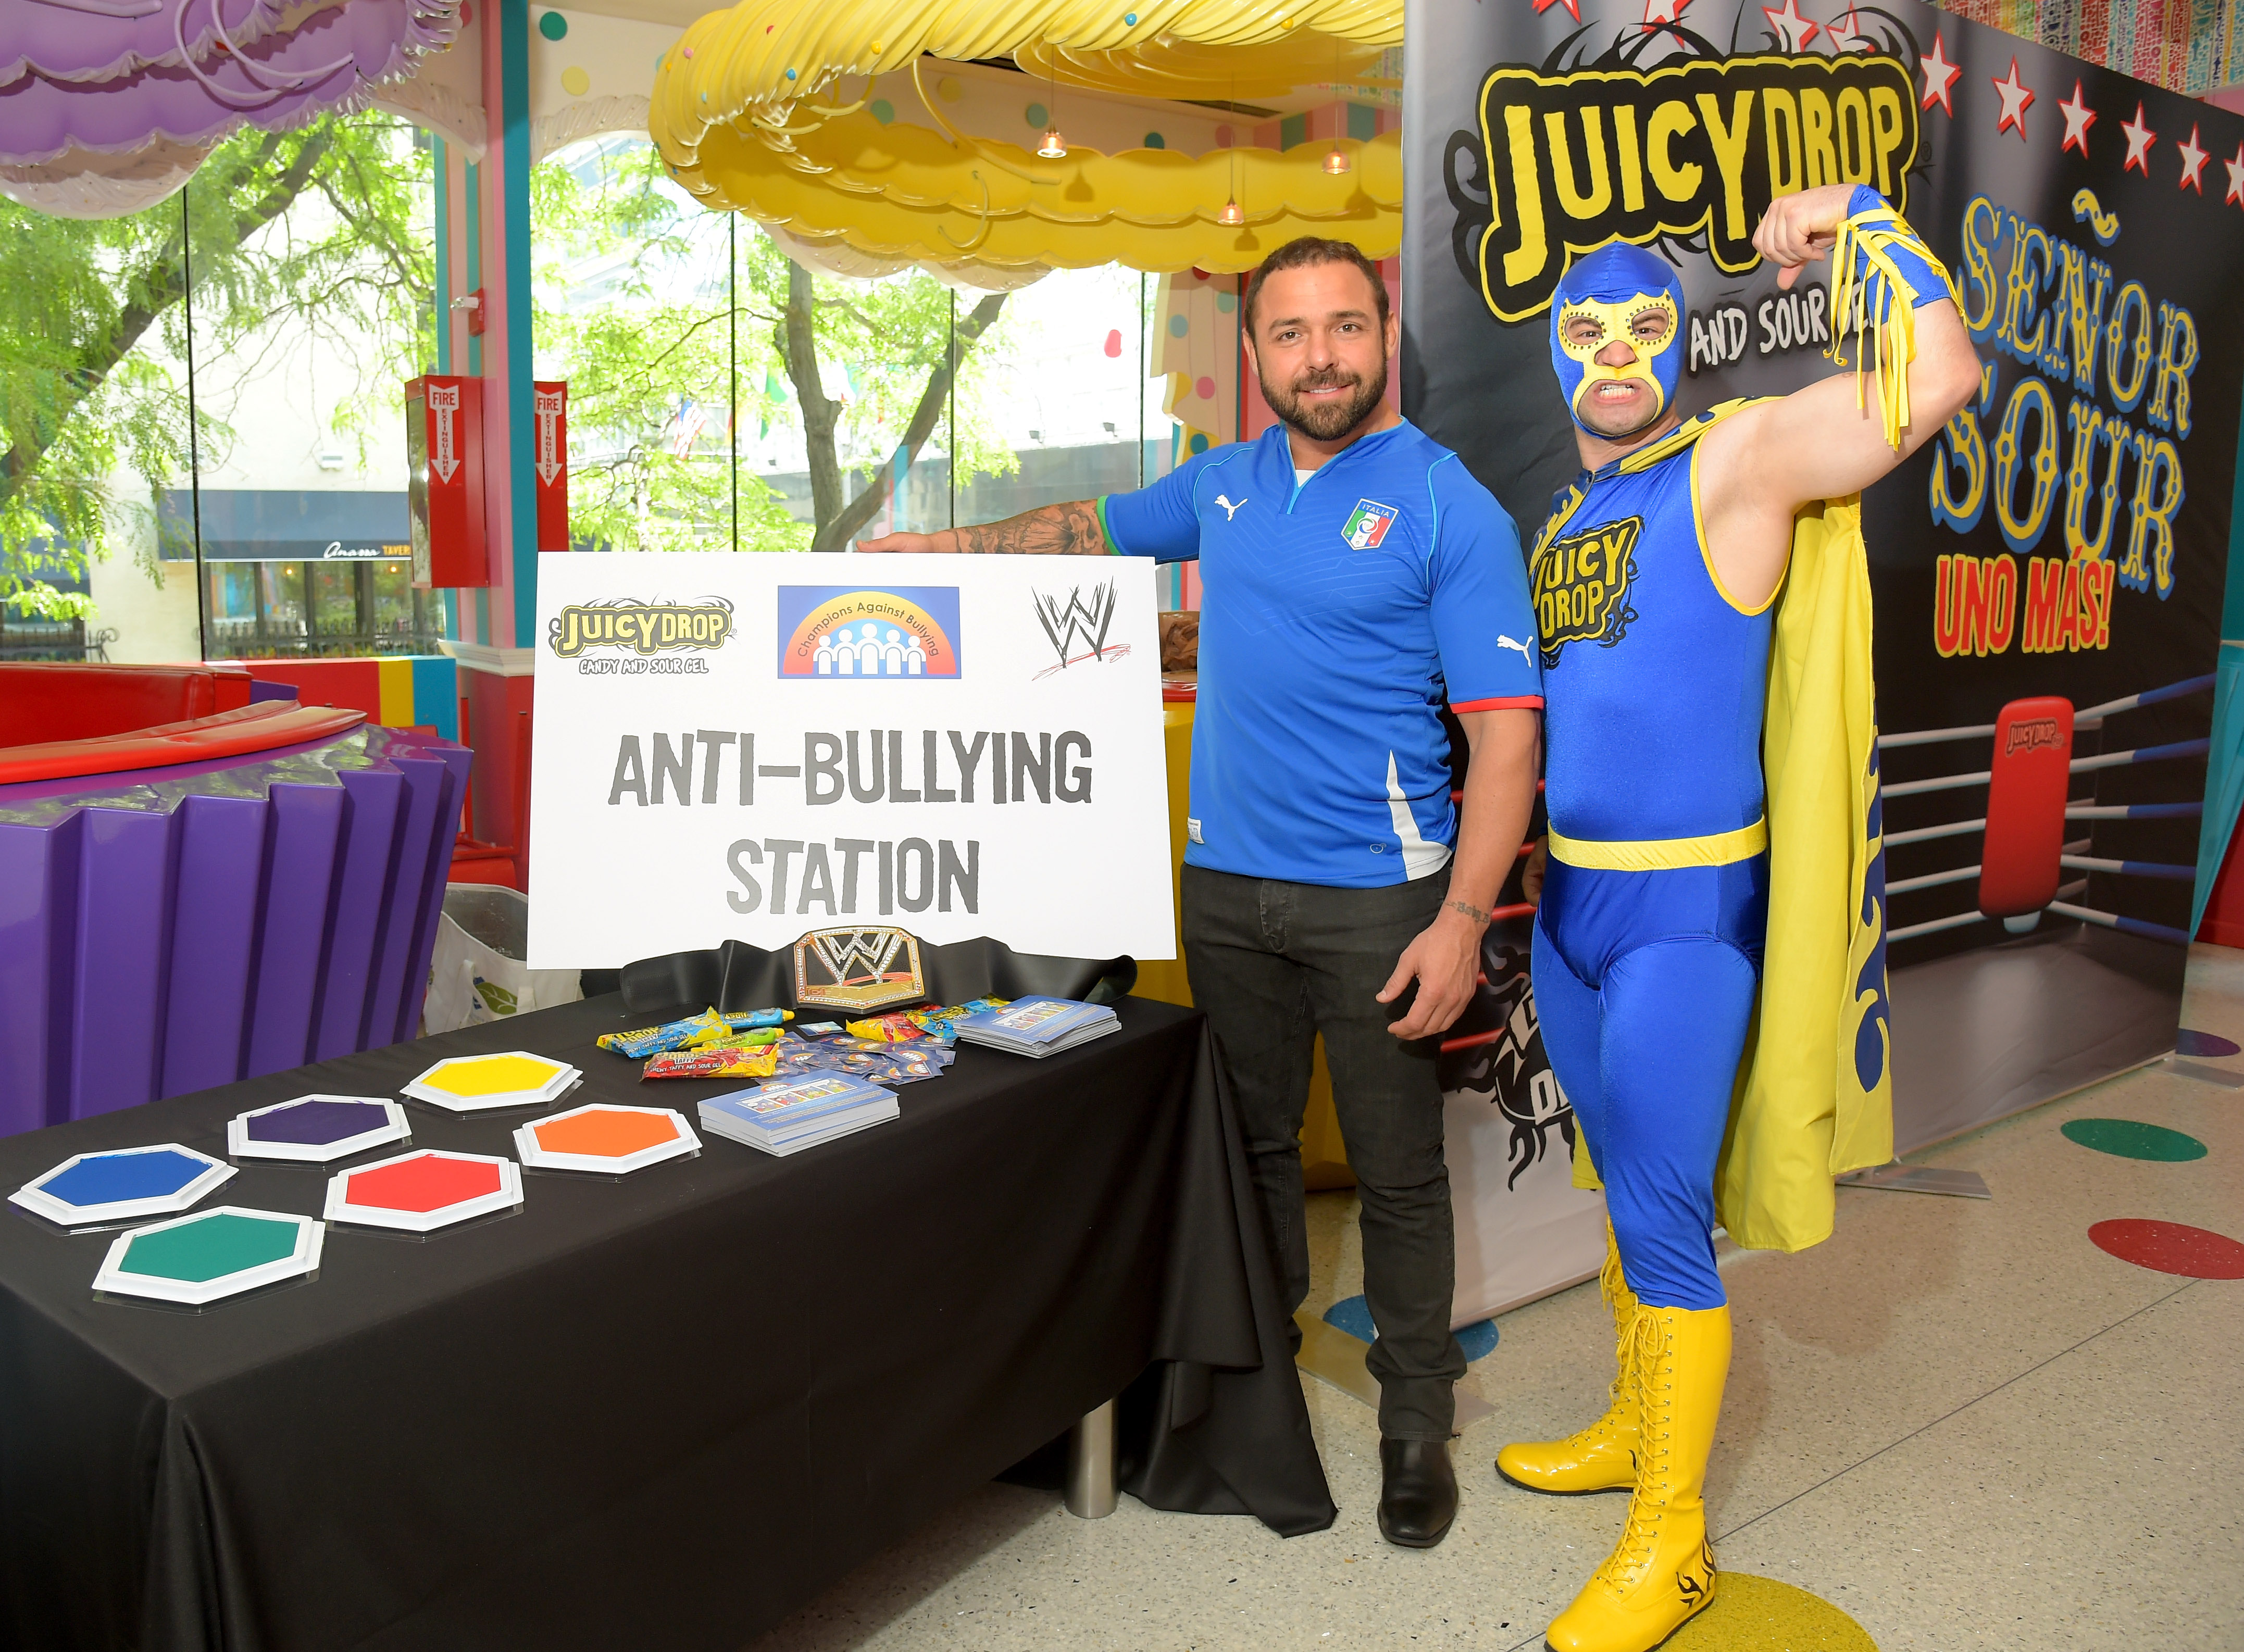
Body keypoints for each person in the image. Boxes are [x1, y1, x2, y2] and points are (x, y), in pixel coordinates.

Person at [862, 236, 1544, 1548]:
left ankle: (1417, 1422)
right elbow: (1079, 530)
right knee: (1251, 1155)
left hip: (1383, 901)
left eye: (1346, 327)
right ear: (1256, 358)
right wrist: (921, 547)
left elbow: (1508, 738)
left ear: (1385, 335)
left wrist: (1462, 921)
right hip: (1226, 888)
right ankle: (1259, 1391)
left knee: (1400, 1174)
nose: (1322, 357)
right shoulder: (1221, 487)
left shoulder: (1450, 503)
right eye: (1291, 334)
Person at [1501, 187, 1979, 1652]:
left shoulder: (1734, 462)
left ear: (1684, 341)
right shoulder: (1566, 509)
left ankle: (1675, 1534)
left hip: (1683, 914)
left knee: (1661, 1215)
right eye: (1587, 331)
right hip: (1568, 904)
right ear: (1553, 357)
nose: (1618, 354)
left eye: (1648, 325)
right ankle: (1633, 1425)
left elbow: (1939, 375)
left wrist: (1853, 218)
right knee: (1610, 1183)